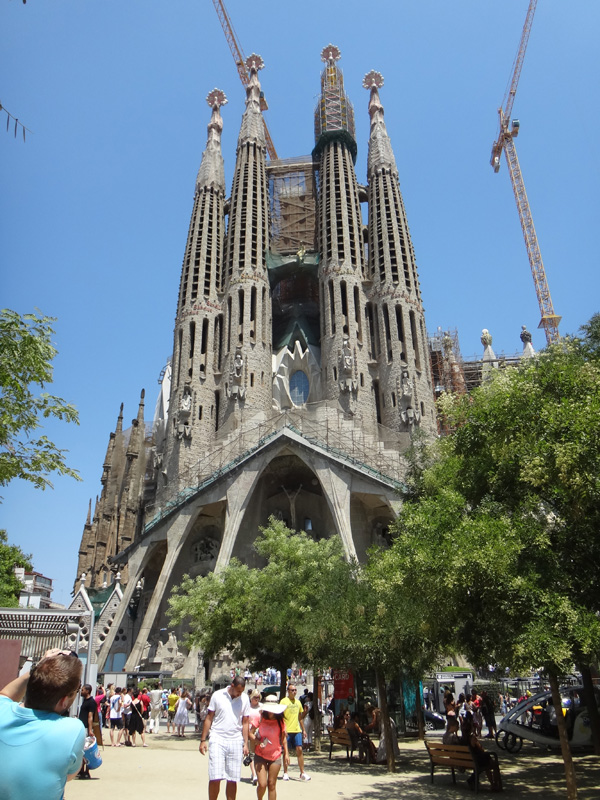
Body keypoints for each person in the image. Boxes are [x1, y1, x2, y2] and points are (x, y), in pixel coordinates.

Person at [0, 647, 86, 799]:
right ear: (64, 700)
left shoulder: (2, 712)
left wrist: (38, 667)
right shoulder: (72, 729)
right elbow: (69, 774)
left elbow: (6, 694)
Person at [199, 676, 250, 800]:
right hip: (218, 738)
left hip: (235, 739)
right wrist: (203, 740)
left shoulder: (244, 699)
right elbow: (209, 717)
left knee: (232, 778)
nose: (239, 694)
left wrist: (246, 743)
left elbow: (245, 722)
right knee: (215, 776)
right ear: (232, 686)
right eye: (238, 691)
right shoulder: (218, 695)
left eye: (241, 691)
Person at [252, 695, 289, 800]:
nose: (271, 712)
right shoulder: (260, 718)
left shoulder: (280, 721)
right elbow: (250, 733)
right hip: (260, 754)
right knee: (262, 784)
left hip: (275, 755)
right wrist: (258, 741)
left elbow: (283, 739)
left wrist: (286, 754)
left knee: (272, 784)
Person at [462, 713, 502, 792]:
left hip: (468, 761)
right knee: (493, 763)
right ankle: (494, 784)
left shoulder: (462, 739)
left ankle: (492, 784)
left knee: (487, 760)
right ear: (471, 728)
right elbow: (481, 749)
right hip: (477, 761)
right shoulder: (472, 738)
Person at [280, 684, 310, 781]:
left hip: (297, 730)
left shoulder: (298, 702)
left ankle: (302, 772)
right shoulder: (283, 701)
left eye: (295, 690)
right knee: (286, 751)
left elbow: (300, 717)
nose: (294, 692)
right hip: (287, 730)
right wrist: (282, 729)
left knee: (300, 750)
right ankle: (285, 772)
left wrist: (304, 729)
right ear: (288, 691)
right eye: (292, 690)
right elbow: (280, 716)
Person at [77, 683, 97, 778]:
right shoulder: (85, 701)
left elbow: (90, 716)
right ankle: (81, 770)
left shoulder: (91, 702)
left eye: (83, 690)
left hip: (86, 728)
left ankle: (87, 771)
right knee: (81, 749)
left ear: (88, 691)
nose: (81, 691)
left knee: (86, 750)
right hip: (82, 726)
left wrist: (90, 730)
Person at [247, 690, 262, 785]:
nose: (256, 699)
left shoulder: (261, 707)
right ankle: (254, 774)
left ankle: (257, 772)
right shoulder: (247, 708)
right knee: (251, 753)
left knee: (259, 753)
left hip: (260, 732)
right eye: (255, 697)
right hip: (250, 732)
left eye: (258, 697)